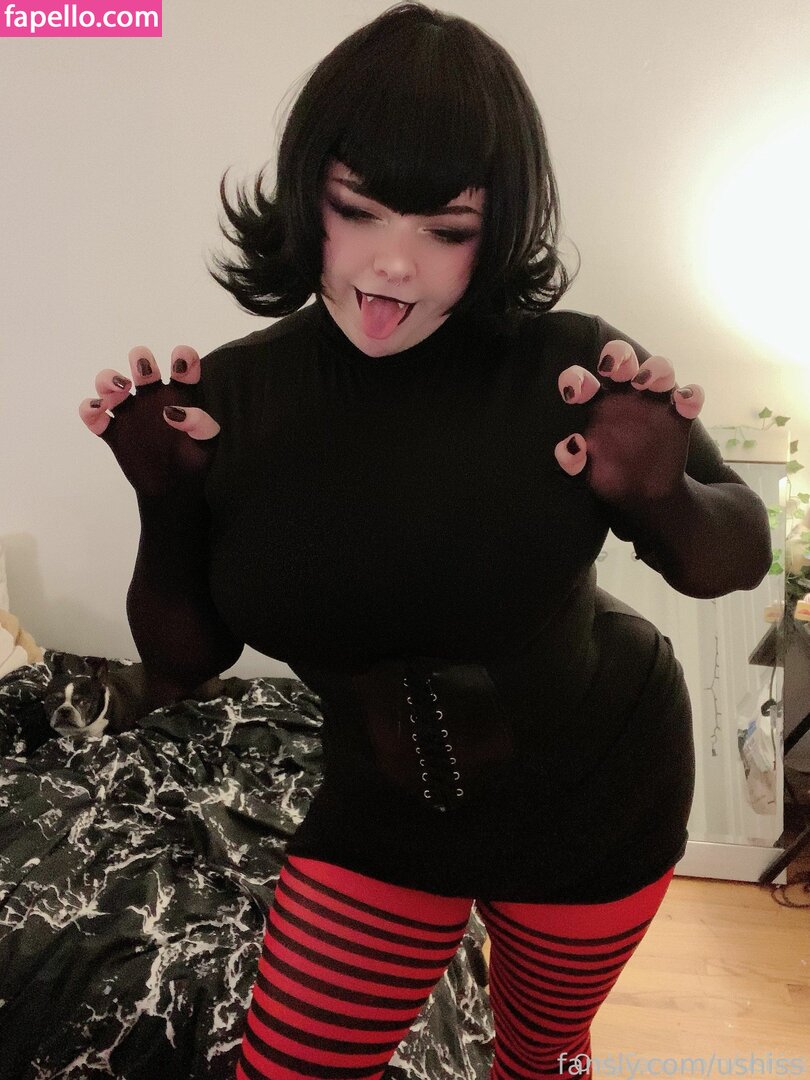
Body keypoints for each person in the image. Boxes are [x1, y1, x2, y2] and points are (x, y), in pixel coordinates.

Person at [79, 4, 772, 1078]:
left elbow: (733, 558)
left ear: (498, 229)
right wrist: (162, 499)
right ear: (307, 196)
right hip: (381, 817)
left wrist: (664, 493)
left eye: (447, 229)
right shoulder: (236, 395)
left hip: (601, 793)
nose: (394, 265)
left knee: (539, 1060)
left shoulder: (568, 367)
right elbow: (183, 661)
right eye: (357, 211)